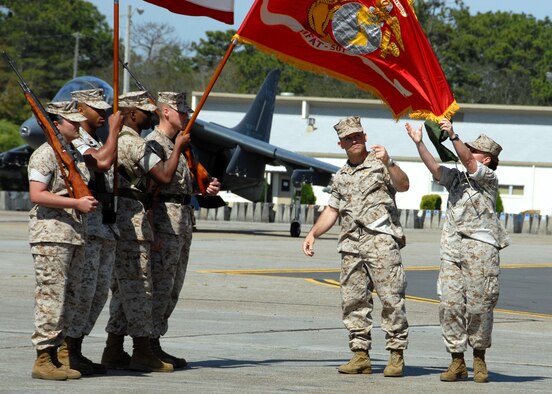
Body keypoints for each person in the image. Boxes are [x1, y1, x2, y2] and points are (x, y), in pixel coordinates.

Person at [302, 116, 410, 377]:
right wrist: (313, 233)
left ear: (365, 137)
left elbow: (403, 185)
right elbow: (332, 209)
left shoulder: (381, 164)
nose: (354, 141)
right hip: (351, 245)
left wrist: (390, 161)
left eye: (357, 136)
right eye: (348, 138)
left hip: (381, 241)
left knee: (391, 298)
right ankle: (360, 355)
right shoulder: (341, 176)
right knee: (353, 301)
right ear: (341, 144)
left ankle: (396, 355)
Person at [405, 119, 510, 383]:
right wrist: (419, 143)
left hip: (481, 250)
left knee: (479, 307)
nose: (465, 150)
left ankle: (479, 358)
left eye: (472, 149)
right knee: (449, 305)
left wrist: (453, 135)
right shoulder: (457, 179)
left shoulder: (487, 178)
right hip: (452, 250)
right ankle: (457, 361)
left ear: (486, 159)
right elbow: (435, 169)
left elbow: (469, 161)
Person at [100, 91, 189, 373]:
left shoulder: (129, 140)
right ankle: (142, 351)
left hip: (139, 219)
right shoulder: (135, 143)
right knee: (140, 289)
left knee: (134, 289)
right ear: (132, 113)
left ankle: (119, 349)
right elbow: (162, 177)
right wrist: (178, 148)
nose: (150, 115)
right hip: (133, 223)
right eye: (145, 110)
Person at [145, 92, 220, 368]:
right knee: (160, 287)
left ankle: (156, 341)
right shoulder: (154, 144)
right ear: (165, 112)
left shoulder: (182, 145)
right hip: (165, 224)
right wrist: (152, 232)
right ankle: (147, 344)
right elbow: (153, 189)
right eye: (182, 111)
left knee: (173, 287)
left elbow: (187, 182)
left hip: (183, 221)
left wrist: (207, 187)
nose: (188, 116)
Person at [54, 88, 122, 375]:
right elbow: (101, 162)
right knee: (82, 292)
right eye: (97, 109)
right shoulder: (76, 141)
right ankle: (66, 350)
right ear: (80, 109)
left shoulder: (91, 138)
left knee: (96, 294)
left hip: (105, 226)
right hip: (89, 228)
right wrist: (115, 132)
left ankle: (77, 348)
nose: (103, 114)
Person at [28, 101, 97, 380]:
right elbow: (37, 194)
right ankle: (43, 358)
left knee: (70, 298)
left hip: (73, 235)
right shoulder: (45, 154)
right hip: (51, 236)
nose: (78, 126)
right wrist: (75, 203)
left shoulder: (73, 155)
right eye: (73, 122)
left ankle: (59, 355)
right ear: (56, 125)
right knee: (50, 297)